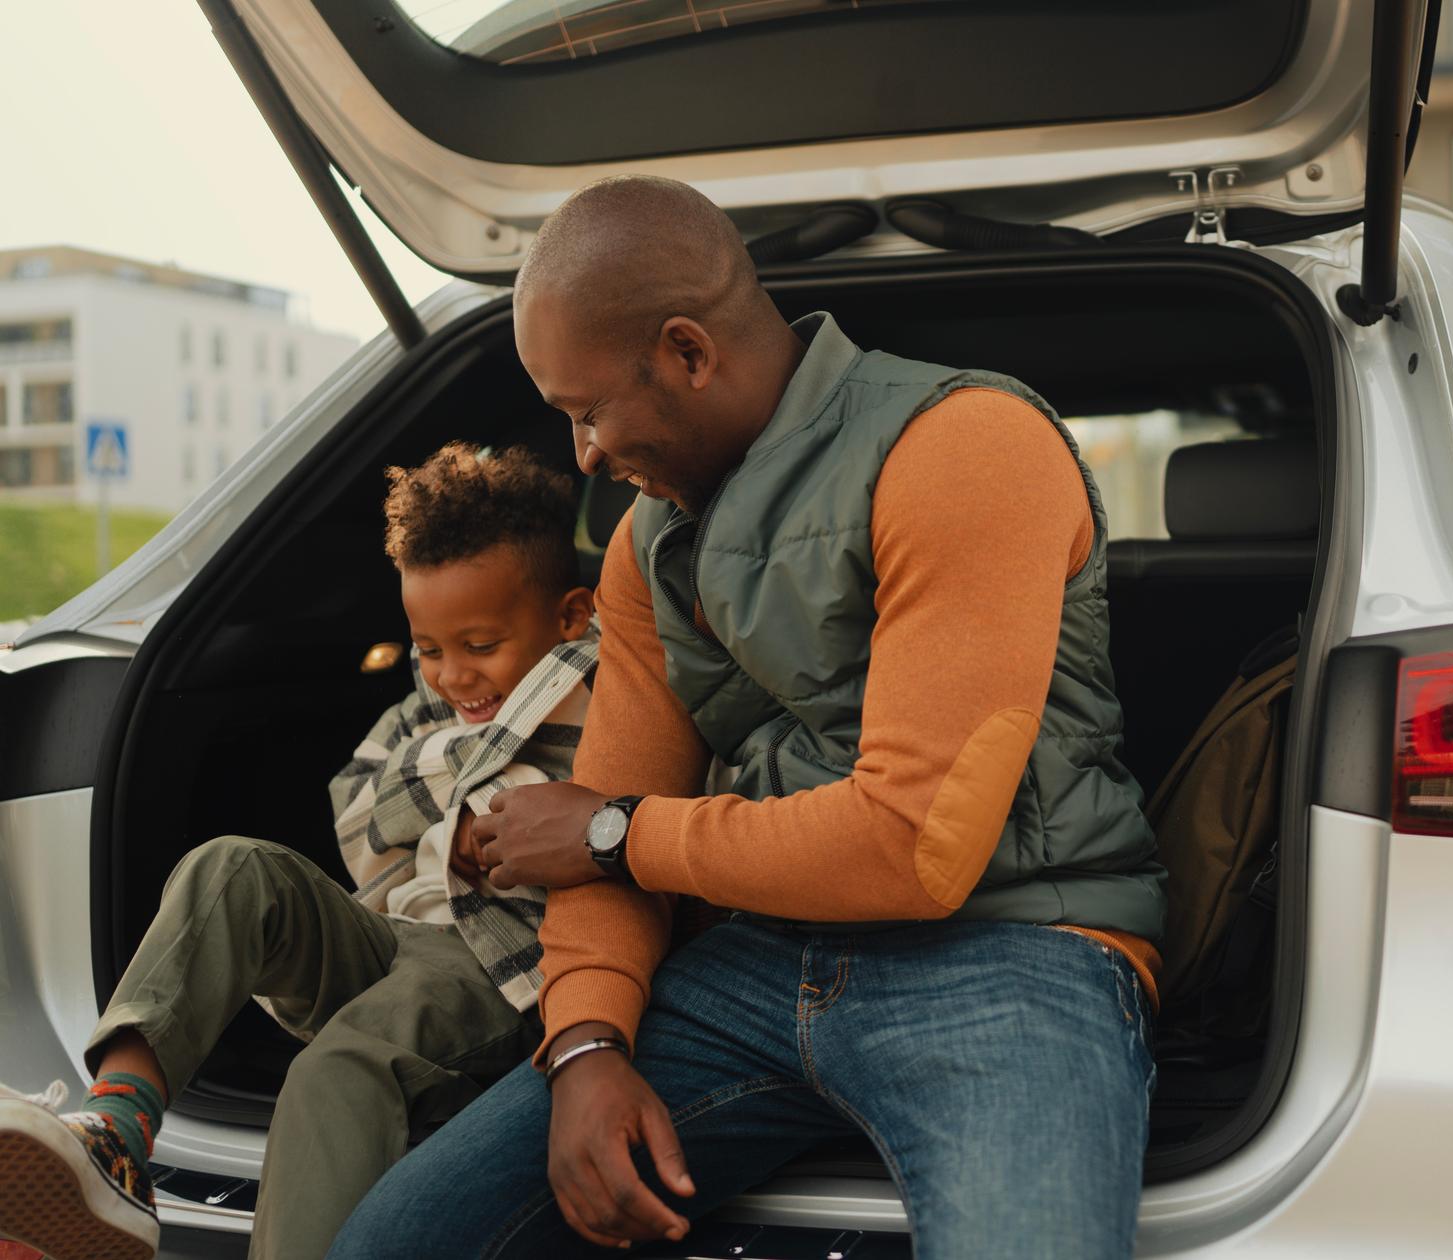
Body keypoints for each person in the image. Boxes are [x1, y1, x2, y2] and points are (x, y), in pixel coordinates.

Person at [331, 175, 1167, 1260]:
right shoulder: (645, 545)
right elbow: (607, 823)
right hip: (754, 967)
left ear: (687, 350)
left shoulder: (967, 445)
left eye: (587, 412)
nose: (580, 453)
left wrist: (614, 833)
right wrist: (584, 1046)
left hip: (1016, 952)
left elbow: (913, 849)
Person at [0, 444, 597, 1260]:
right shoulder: (435, 699)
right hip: (396, 937)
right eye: (429, 649)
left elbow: (495, 804)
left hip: (502, 966)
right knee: (231, 868)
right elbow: (355, 807)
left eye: (481, 644)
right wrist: (456, 797)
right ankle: (117, 1131)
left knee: (337, 1069)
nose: (455, 677)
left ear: (569, 617)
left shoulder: (593, 680)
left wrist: (428, 800)